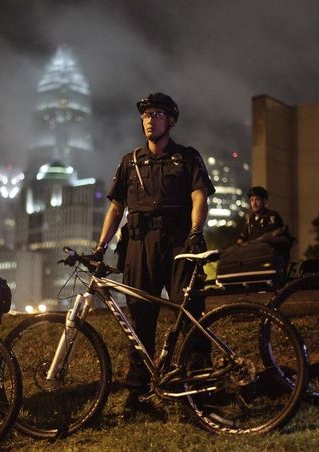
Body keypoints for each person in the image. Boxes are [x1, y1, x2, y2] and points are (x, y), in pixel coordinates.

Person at [93, 92, 215, 419]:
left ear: (171, 121)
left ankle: (199, 388)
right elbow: (116, 207)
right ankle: (138, 393)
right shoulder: (129, 161)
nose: (150, 120)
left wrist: (195, 232)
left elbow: (200, 195)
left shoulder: (186, 157)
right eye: (146, 115)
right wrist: (100, 247)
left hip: (178, 240)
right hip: (138, 243)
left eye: (158, 114)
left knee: (189, 310)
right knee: (140, 319)